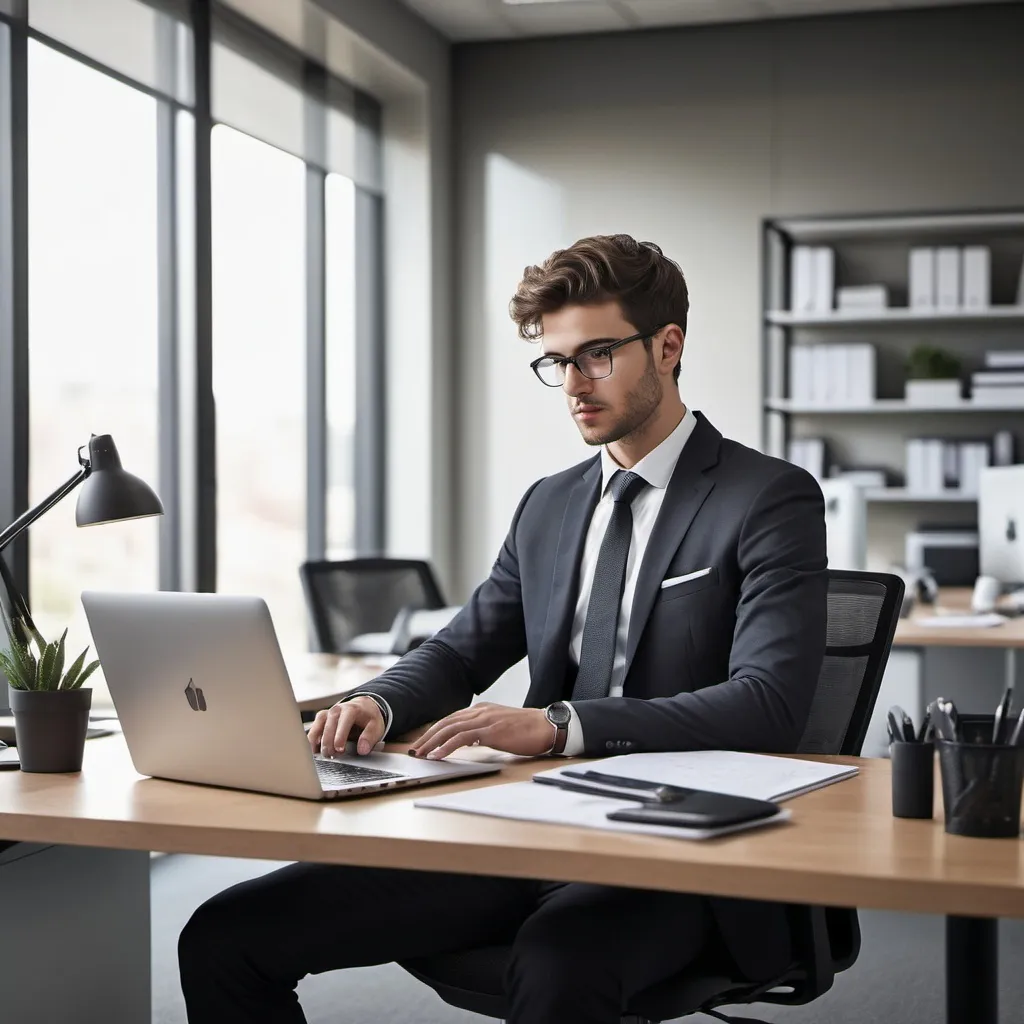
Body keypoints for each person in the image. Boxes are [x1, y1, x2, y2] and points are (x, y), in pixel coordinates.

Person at [178, 234, 828, 1024]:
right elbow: (462, 649)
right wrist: (379, 704)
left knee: (558, 964)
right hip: (526, 825)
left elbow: (768, 704)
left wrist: (558, 726)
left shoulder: (767, 497)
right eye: (558, 362)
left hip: (675, 846)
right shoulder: (549, 504)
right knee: (224, 934)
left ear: (668, 346)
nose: (573, 385)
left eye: (597, 355)